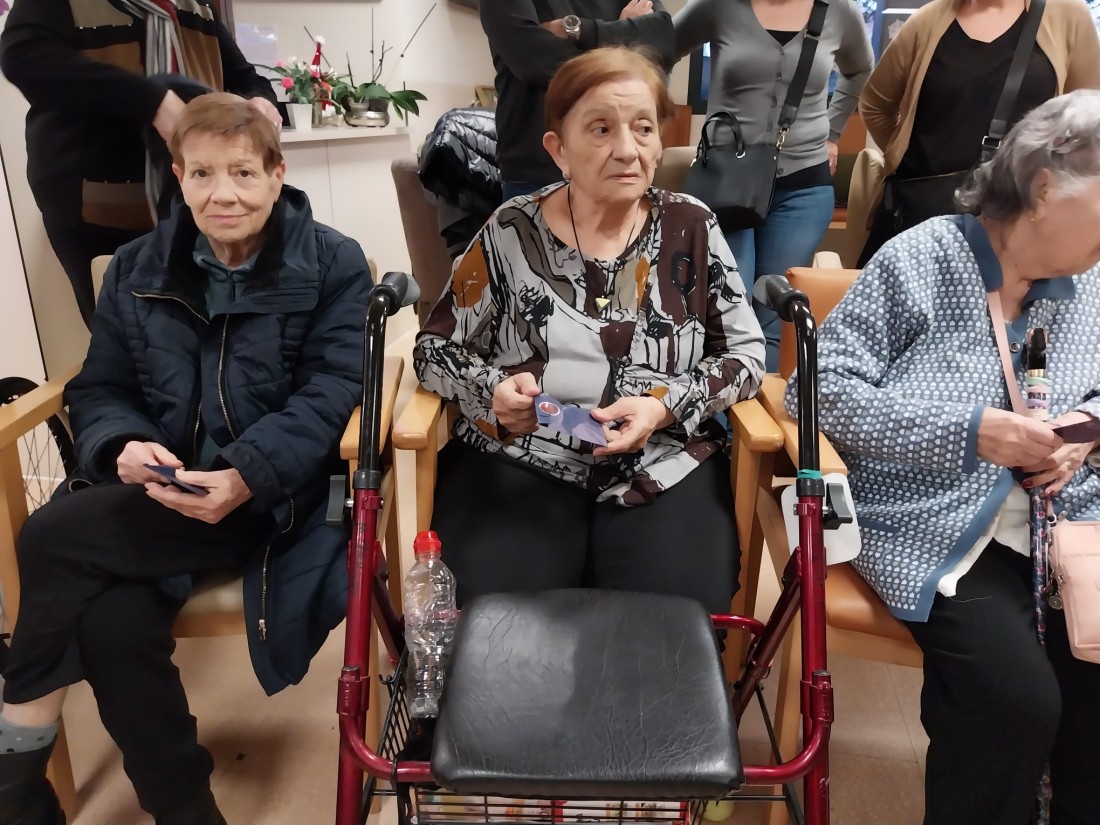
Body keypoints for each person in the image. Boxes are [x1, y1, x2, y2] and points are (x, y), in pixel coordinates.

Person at [0, 94, 373, 825]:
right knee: (110, 624)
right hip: (158, 498)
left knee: (49, 536)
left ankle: (13, 782)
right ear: (178, 176)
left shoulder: (333, 262)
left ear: (277, 173)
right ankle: (187, 813)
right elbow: (102, 386)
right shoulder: (137, 265)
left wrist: (245, 473)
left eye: (242, 172)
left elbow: (333, 394)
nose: (222, 193)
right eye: (202, 173)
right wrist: (122, 444)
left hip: (271, 499)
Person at [787, 91, 1100, 825]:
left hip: (1068, 525)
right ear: (1046, 187)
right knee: (1014, 700)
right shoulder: (924, 257)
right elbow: (819, 388)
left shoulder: (1091, 283)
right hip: (930, 521)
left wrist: (1083, 435)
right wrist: (969, 430)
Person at [414, 47, 765, 618]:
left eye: (643, 128)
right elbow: (433, 349)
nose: (627, 149)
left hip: (661, 465)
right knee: (498, 627)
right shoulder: (509, 230)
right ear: (559, 149)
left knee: (670, 626)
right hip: (520, 460)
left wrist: (664, 406)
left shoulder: (691, 225)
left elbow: (746, 355)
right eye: (601, 129)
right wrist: (490, 392)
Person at [0, 0, 281, 329]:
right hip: (98, 211)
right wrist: (151, 100)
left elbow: (245, 77)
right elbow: (24, 56)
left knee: (212, 330)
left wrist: (261, 101)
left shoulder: (196, 6)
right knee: (124, 337)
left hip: (195, 210)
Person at [674, 0, 873, 371]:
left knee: (775, 312)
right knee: (727, 310)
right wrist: (648, 123)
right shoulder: (717, 6)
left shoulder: (839, 10)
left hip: (803, 185)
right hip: (728, 183)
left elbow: (859, 69)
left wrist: (833, 132)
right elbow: (658, 50)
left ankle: (761, 407)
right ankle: (719, 402)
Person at [855, 0, 1100, 266]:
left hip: (1019, 215)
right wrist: (904, 153)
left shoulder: (1066, 16)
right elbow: (875, 105)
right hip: (921, 209)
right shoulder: (927, 22)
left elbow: (1088, 123)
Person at [479, 0, 675, 202]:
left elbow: (664, 40)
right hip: (536, 172)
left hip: (623, 172)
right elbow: (535, 59)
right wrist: (621, 39)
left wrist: (577, 28)